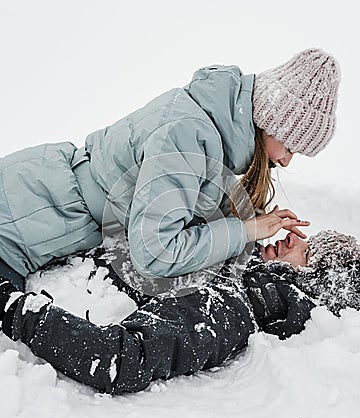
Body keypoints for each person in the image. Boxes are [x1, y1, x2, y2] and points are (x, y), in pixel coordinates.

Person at [0, 49, 340, 287]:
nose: (286, 160)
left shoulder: (211, 130)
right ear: (271, 121)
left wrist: (244, 224)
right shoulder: (188, 135)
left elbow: (183, 210)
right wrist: (246, 231)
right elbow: (155, 251)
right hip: (24, 216)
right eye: (291, 146)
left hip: (38, 208)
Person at [1, 230, 358, 395]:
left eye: (308, 254)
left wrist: (13, 307)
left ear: (308, 285)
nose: (292, 238)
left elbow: (119, 360)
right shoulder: (237, 262)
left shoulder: (231, 308)